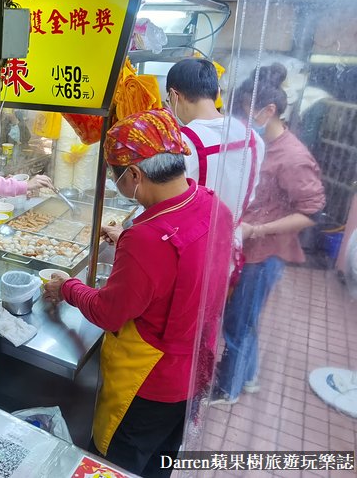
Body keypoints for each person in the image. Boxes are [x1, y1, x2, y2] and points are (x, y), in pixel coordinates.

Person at [43, 109, 233, 478]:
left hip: (148, 384)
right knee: (160, 461)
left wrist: (67, 286)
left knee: (113, 464)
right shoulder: (212, 204)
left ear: (134, 175)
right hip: (193, 370)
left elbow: (109, 313)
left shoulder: (147, 239)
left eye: (118, 177)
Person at [210, 64, 326, 406]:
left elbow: (311, 212)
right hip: (248, 247)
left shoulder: (292, 156)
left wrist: (256, 229)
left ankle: (227, 389)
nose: (244, 119)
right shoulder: (259, 143)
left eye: (247, 112)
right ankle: (249, 375)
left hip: (264, 253)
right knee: (246, 318)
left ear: (269, 111)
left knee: (237, 322)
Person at [167, 58, 265, 287]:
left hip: (189, 256)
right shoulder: (252, 137)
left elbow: (168, 209)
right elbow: (249, 196)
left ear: (174, 95)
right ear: (217, 92)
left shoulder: (182, 143)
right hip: (227, 249)